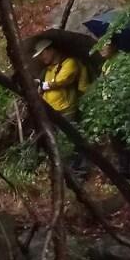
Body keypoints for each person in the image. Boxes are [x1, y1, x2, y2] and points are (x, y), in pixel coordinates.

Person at [33, 40, 92, 180]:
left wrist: (43, 85)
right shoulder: (48, 71)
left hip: (67, 110)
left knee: (71, 141)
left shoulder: (69, 63)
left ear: (51, 50)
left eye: (43, 54)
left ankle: (80, 172)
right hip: (52, 113)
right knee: (58, 143)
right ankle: (67, 172)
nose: (42, 58)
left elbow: (64, 80)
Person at [101, 41, 130, 181]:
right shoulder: (106, 65)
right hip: (111, 106)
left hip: (127, 104)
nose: (101, 48)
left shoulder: (124, 61)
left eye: (105, 44)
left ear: (114, 45)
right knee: (117, 139)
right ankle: (123, 171)